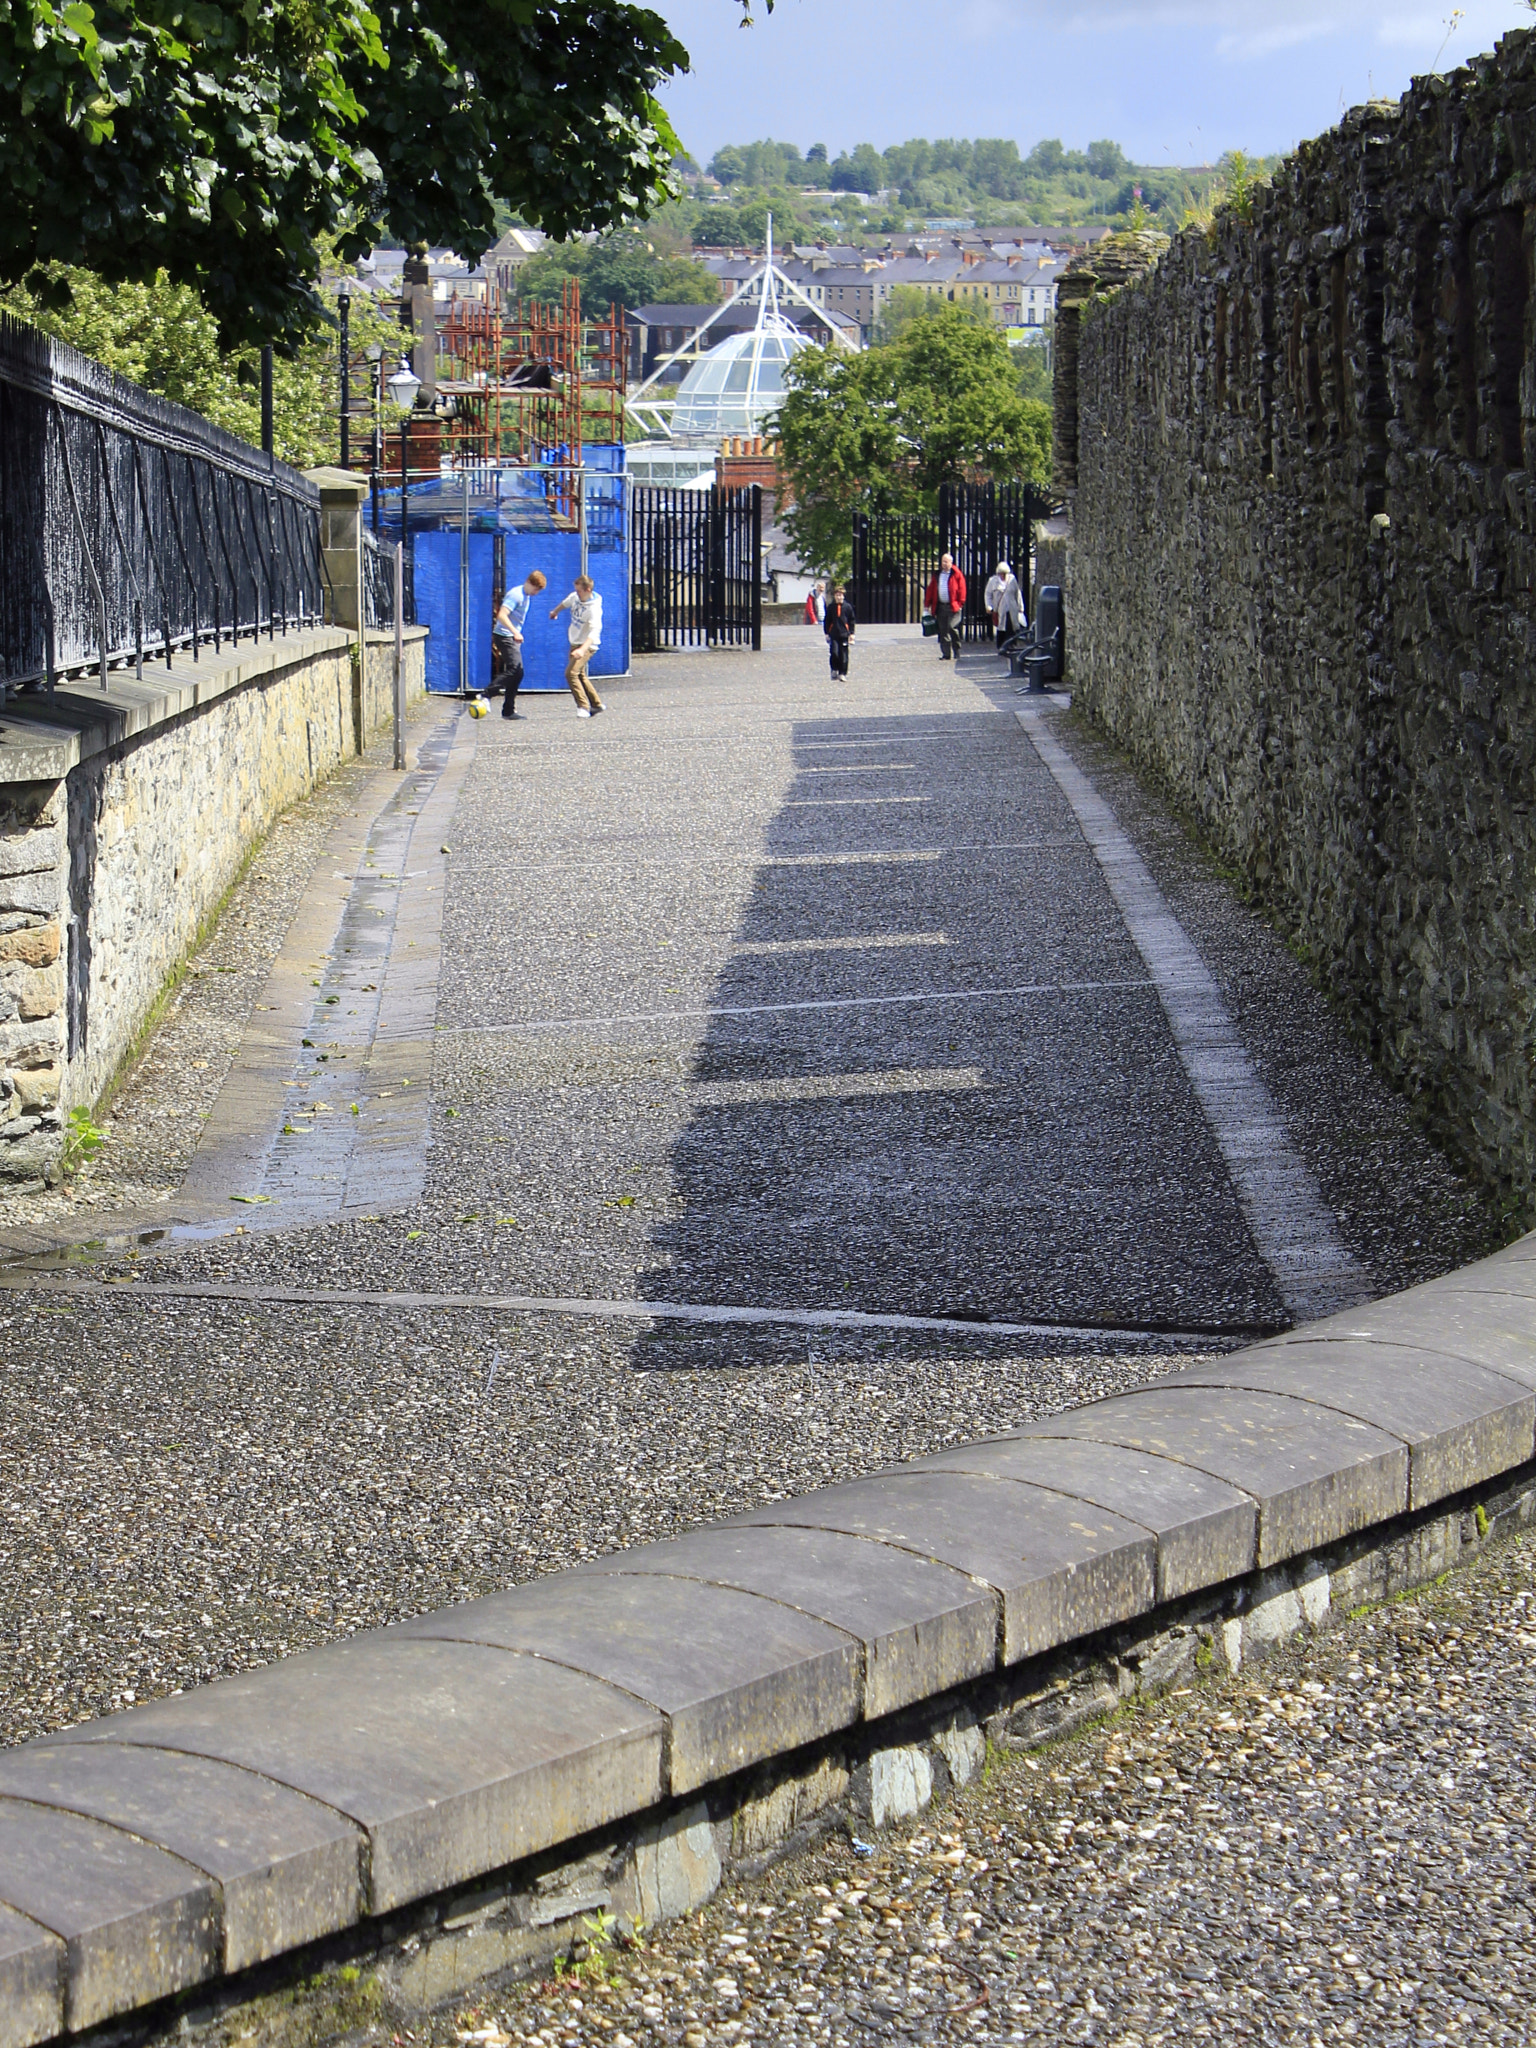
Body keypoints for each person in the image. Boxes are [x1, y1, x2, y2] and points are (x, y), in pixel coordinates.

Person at [492, 568, 546, 719]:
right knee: (515, 668)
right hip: (504, 636)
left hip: (511, 637)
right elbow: (502, 615)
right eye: (536, 589)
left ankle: (508, 711)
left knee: (518, 673)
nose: (536, 593)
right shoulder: (516, 595)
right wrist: (515, 632)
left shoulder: (526, 596)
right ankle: (486, 694)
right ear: (529, 583)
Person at [549, 574, 605, 716]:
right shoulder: (575, 597)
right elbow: (566, 602)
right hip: (575, 641)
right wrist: (555, 611)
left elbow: (594, 632)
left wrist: (582, 650)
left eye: (579, 591)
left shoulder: (594, 609)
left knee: (571, 673)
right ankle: (597, 704)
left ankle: (583, 707)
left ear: (588, 590)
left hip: (587, 645)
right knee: (580, 675)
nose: (577, 593)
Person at [923, 553, 967, 661]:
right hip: (941, 606)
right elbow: (931, 590)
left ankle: (957, 649)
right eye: (943, 561)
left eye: (947, 562)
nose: (944, 564)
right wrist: (926, 605)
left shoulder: (956, 574)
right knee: (943, 630)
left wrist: (960, 603)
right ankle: (946, 653)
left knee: (952, 627)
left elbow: (962, 589)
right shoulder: (937, 575)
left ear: (951, 563)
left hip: (953, 607)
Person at [985, 560, 1026, 648]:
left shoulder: (1012, 579)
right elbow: (988, 594)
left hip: (1012, 608)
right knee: (1001, 627)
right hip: (1000, 608)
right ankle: (1001, 646)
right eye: (1000, 573)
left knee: (1012, 627)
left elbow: (1017, 593)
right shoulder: (992, 581)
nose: (1002, 575)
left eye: (1004, 573)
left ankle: (1012, 645)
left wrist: (1020, 607)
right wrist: (989, 606)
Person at [823, 584, 856, 677]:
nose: (839, 597)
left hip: (844, 634)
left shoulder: (848, 607)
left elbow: (852, 620)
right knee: (834, 653)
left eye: (840, 595)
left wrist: (852, 633)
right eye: (837, 595)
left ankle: (842, 673)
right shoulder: (831, 607)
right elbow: (827, 620)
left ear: (843, 595)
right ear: (834, 596)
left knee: (844, 655)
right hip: (834, 634)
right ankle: (834, 669)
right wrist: (826, 633)